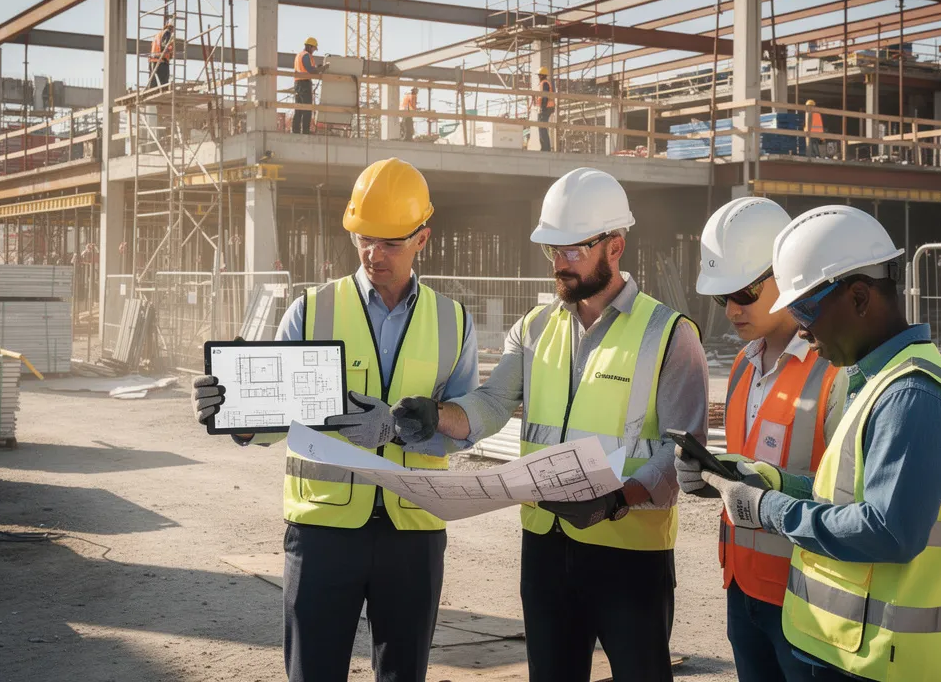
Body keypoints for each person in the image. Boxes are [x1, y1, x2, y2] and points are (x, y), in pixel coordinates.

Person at [394, 167, 708, 682]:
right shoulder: (535, 328)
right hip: (545, 543)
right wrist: (440, 415)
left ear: (614, 246)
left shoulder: (669, 334)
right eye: (552, 251)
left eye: (572, 250)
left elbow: (682, 454)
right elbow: (493, 402)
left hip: (629, 553)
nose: (559, 264)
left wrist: (616, 500)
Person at [192, 158, 479, 682]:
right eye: (364, 239)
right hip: (323, 529)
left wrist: (404, 428)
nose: (374, 254)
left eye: (390, 242)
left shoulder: (452, 321)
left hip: (413, 529)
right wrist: (236, 412)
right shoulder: (311, 310)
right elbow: (276, 413)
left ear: (422, 238)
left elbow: (464, 426)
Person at [677, 205, 941, 682]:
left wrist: (770, 509)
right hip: (861, 649)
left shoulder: (912, 395)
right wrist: (768, 480)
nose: (801, 328)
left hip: (894, 662)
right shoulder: (877, 382)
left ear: (859, 297)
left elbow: (889, 531)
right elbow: (845, 496)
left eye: (805, 310)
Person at [685, 198, 847, 682]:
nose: (733, 309)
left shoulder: (833, 370)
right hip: (742, 588)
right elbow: (748, 467)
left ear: (786, 273)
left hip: (808, 597)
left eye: (745, 292)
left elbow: (847, 498)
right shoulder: (742, 366)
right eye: (723, 298)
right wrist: (707, 476)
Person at [293, 37, 324, 135]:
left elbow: (308, 68)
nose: (314, 51)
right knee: (307, 108)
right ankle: (305, 131)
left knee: (298, 108)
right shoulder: (306, 55)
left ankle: (295, 130)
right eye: (314, 48)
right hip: (304, 83)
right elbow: (311, 71)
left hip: (297, 83)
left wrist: (317, 68)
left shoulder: (299, 55)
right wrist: (322, 68)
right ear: (310, 46)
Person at [148, 18, 175, 88]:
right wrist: (170, 51)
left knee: (153, 85)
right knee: (163, 85)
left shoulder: (159, 34)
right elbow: (164, 46)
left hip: (154, 60)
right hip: (161, 62)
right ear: (172, 27)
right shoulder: (167, 32)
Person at [536, 66, 555, 152]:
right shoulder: (545, 83)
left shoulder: (544, 83)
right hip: (547, 107)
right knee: (542, 128)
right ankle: (545, 148)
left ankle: (545, 148)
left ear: (541, 75)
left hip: (546, 108)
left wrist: (542, 108)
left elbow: (545, 96)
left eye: (539, 75)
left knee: (542, 128)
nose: (538, 76)